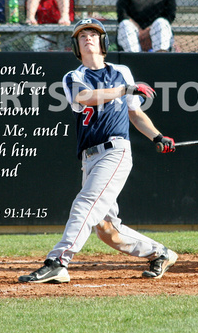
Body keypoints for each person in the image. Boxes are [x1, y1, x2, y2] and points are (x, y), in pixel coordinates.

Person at [18, 18, 178, 284]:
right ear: (76, 46)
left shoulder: (121, 71)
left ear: (103, 42)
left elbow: (135, 113)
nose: (88, 38)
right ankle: (160, 253)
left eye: (93, 34)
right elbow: (85, 97)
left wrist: (157, 136)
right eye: (82, 36)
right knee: (106, 229)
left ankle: (58, 261)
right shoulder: (74, 77)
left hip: (115, 150)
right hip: (89, 157)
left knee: (84, 204)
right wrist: (124, 89)